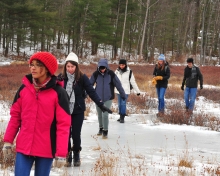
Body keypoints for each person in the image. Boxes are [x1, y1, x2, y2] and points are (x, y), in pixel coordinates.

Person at [2, 52, 71, 176]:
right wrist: (8, 140)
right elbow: (15, 117)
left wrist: (61, 153)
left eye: (37, 65)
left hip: (46, 149)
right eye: (31, 64)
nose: (32, 68)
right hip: (24, 146)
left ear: (47, 68)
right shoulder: (23, 89)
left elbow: (63, 125)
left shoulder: (59, 93)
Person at [60, 52, 112, 167]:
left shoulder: (82, 78)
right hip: (64, 111)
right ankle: (68, 155)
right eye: (68, 66)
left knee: (76, 134)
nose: (70, 69)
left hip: (78, 110)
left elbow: (91, 91)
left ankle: (77, 153)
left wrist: (101, 104)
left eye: (72, 67)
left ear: (76, 66)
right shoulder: (61, 78)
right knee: (66, 134)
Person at [90, 58, 126, 138]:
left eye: (104, 68)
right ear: (98, 67)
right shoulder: (95, 74)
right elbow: (89, 85)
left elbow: (118, 84)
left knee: (105, 114)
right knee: (99, 114)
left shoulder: (111, 74)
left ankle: (105, 131)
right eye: (101, 68)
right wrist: (84, 94)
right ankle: (101, 128)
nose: (102, 70)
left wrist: (122, 94)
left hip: (108, 97)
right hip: (97, 98)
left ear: (106, 67)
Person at [115, 58, 141, 123]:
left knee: (123, 103)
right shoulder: (117, 71)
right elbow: (113, 80)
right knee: (119, 104)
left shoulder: (129, 72)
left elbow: (133, 82)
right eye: (120, 65)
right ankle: (120, 115)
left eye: (123, 65)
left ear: (125, 65)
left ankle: (122, 117)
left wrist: (138, 91)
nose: (121, 66)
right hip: (118, 90)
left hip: (125, 90)